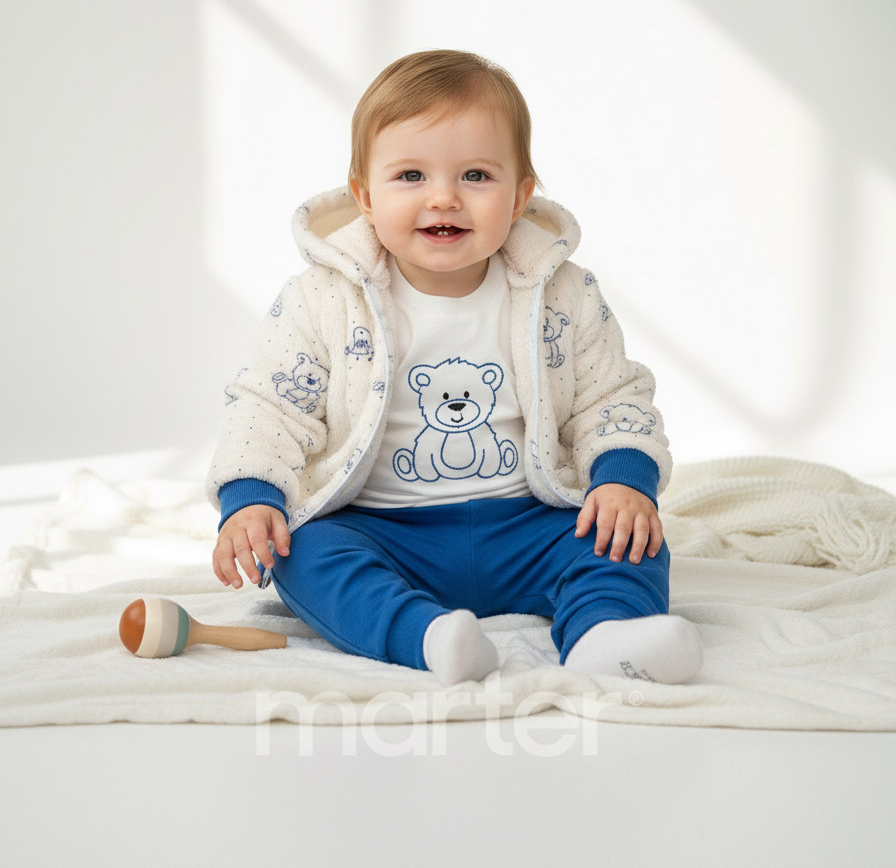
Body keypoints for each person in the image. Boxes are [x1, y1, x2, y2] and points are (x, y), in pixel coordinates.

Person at [207, 50, 703, 686]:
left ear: (520, 195)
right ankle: (429, 636)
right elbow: (270, 405)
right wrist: (251, 499)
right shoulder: (322, 300)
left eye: (475, 175)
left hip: (528, 525)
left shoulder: (561, 292)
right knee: (301, 551)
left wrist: (624, 481)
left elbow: (611, 396)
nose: (443, 198)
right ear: (365, 196)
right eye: (411, 175)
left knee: (628, 536)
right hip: (384, 532)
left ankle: (605, 632)